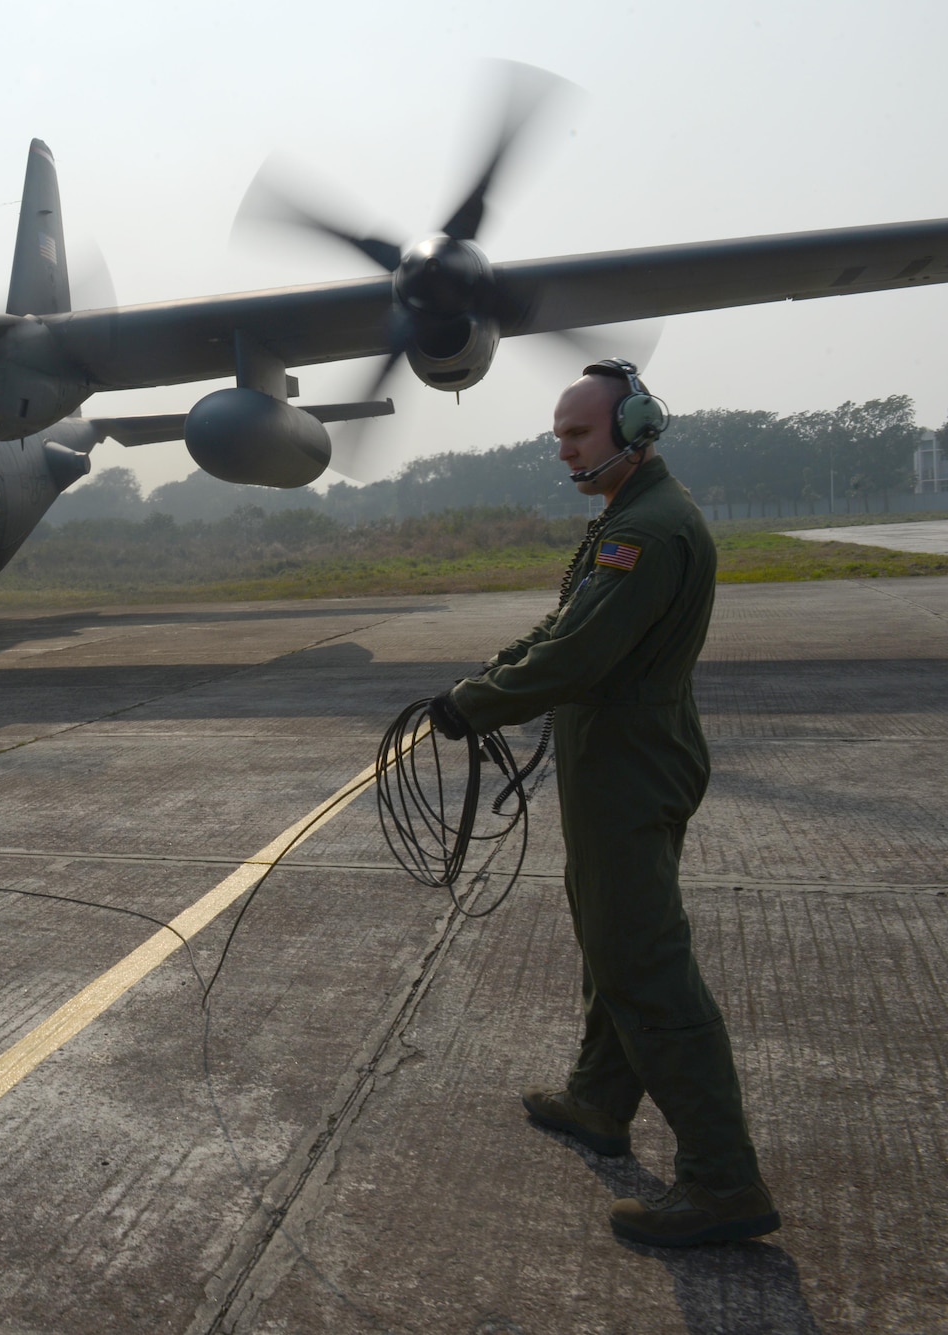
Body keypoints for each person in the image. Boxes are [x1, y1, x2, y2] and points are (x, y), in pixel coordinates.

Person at [427, 360, 778, 1248]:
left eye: (578, 433)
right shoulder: (626, 518)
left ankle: (722, 1179)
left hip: (630, 766)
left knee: (644, 962)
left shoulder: (648, 533)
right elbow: (565, 627)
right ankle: (599, 1098)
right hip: (614, 761)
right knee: (611, 934)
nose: (563, 448)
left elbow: (580, 657)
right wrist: (489, 677)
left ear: (637, 425)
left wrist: (475, 705)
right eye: (559, 434)